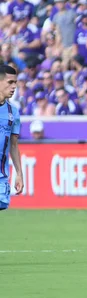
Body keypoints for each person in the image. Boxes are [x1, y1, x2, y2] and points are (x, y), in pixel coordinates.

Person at [0, 65, 24, 209]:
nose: (14, 86)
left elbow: (13, 145)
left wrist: (19, 173)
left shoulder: (13, 113)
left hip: (1, 177)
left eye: (15, 82)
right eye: (10, 82)